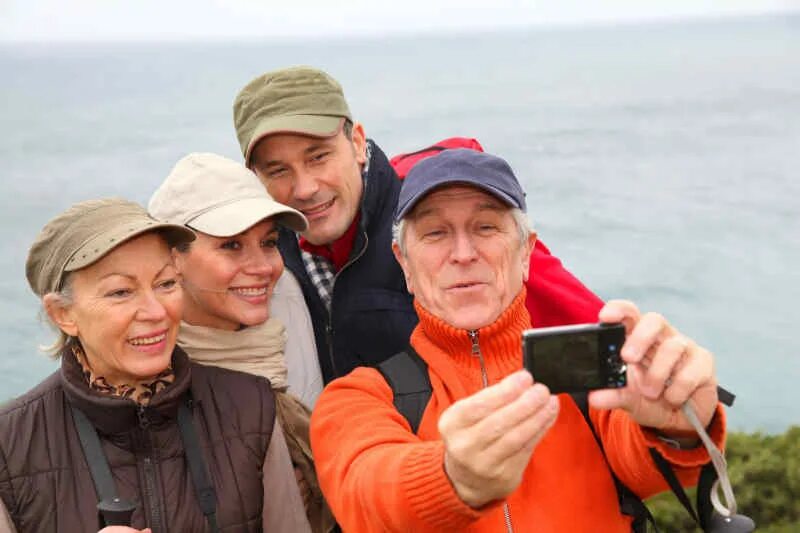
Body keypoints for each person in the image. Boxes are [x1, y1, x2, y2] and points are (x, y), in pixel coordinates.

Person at [308, 149, 726, 532]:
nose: (463, 252)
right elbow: (368, 496)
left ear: (526, 252)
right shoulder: (357, 398)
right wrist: (451, 477)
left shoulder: (588, 371)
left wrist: (675, 424)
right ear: (405, 265)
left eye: (486, 226)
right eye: (435, 233)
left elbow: (644, 463)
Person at [232, 65, 604, 384]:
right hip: (354, 446)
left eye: (319, 157)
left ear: (358, 143)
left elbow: (589, 341)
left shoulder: (437, 218)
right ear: (255, 177)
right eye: (277, 170)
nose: (305, 188)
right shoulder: (265, 252)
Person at [0, 199, 311, 533]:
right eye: (120, 292)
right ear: (63, 314)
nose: (156, 311)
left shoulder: (251, 405)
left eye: (166, 284)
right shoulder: (9, 444)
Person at [148, 152, 335, 533]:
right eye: (231, 245)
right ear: (173, 260)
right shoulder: (147, 369)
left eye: (269, 242)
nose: (264, 267)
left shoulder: (285, 304)